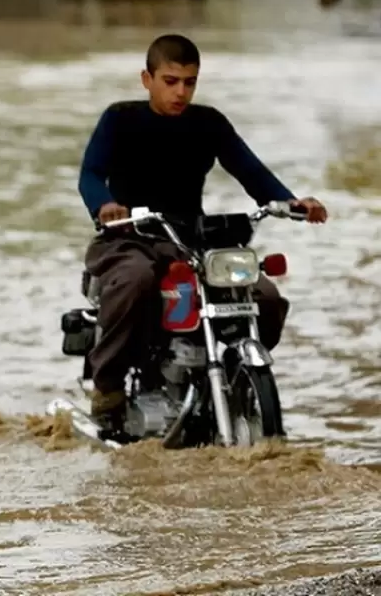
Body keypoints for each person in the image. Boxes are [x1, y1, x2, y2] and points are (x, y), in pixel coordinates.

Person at [77, 34, 328, 434]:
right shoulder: (120, 118)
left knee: (264, 297)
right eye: (170, 81)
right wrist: (104, 205)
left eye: (189, 82)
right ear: (148, 79)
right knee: (136, 280)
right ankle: (108, 391)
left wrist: (290, 201)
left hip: (192, 239)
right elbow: (90, 173)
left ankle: (230, 372)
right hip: (129, 236)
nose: (181, 92)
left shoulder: (208, 123)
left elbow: (251, 171)